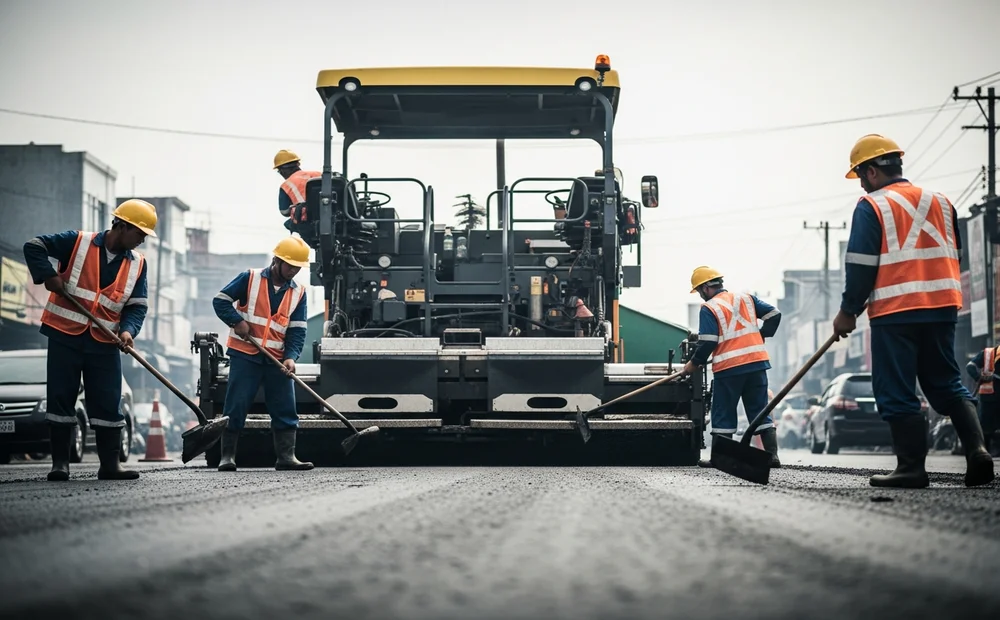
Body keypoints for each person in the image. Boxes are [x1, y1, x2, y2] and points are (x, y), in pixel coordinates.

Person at [833, 133, 994, 488]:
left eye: (861, 174)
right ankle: (978, 451)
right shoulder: (942, 201)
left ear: (872, 171)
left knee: (896, 387)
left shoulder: (871, 205)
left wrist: (848, 310)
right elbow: (957, 255)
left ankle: (911, 468)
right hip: (943, 306)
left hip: (896, 311)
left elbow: (860, 264)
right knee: (947, 382)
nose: (861, 182)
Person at [22, 199, 157, 481]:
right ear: (122, 226)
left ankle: (110, 465)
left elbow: (137, 306)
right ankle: (60, 464)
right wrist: (48, 275)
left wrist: (128, 331)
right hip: (64, 335)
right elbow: (34, 246)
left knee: (109, 401)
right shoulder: (77, 242)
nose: (142, 240)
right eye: (140, 234)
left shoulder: (138, 265)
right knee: (61, 398)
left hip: (104, 343)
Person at [212, 236, 313, 472]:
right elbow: (220, 301)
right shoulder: (250, 278)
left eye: (298, 267)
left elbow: (297, 330)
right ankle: (227, 457)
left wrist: (291, 357)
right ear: (277, 260)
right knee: (236, 404)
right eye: (290, 266)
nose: (294, 271)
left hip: (276, 359)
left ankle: (286, 457)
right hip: (245, 354)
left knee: (285, 406)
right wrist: (236, 321)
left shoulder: (299, 293)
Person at [681, 266, 782, 468]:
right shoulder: (746, 299)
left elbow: (708, 341)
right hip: (756, 363)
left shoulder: (709, 308)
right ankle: (772, 456)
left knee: (723, 411)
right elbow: (774, 314)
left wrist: (694, 363)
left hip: (730, 368)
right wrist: (762, 335)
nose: (701, 296)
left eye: (700, 292)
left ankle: (721, 458)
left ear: (705, 288)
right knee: (760, 410)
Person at [274, 149, 321, 231]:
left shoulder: (286, 185)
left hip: (308, 220)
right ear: (297, 164)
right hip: (333, 214)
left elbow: (284, 211)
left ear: (282, 171)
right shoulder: (318, 174)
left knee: (289, 224)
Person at [965, 347, 999, 454]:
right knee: (986, 428)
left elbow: (970, 366)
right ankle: (986, 452)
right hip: (989, 398)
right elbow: (970, 367)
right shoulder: (988, 353)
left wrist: (978, 376)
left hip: (988, 398)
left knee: (986, 428)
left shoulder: (987, 353)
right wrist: (979, 377)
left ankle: (985, 453)